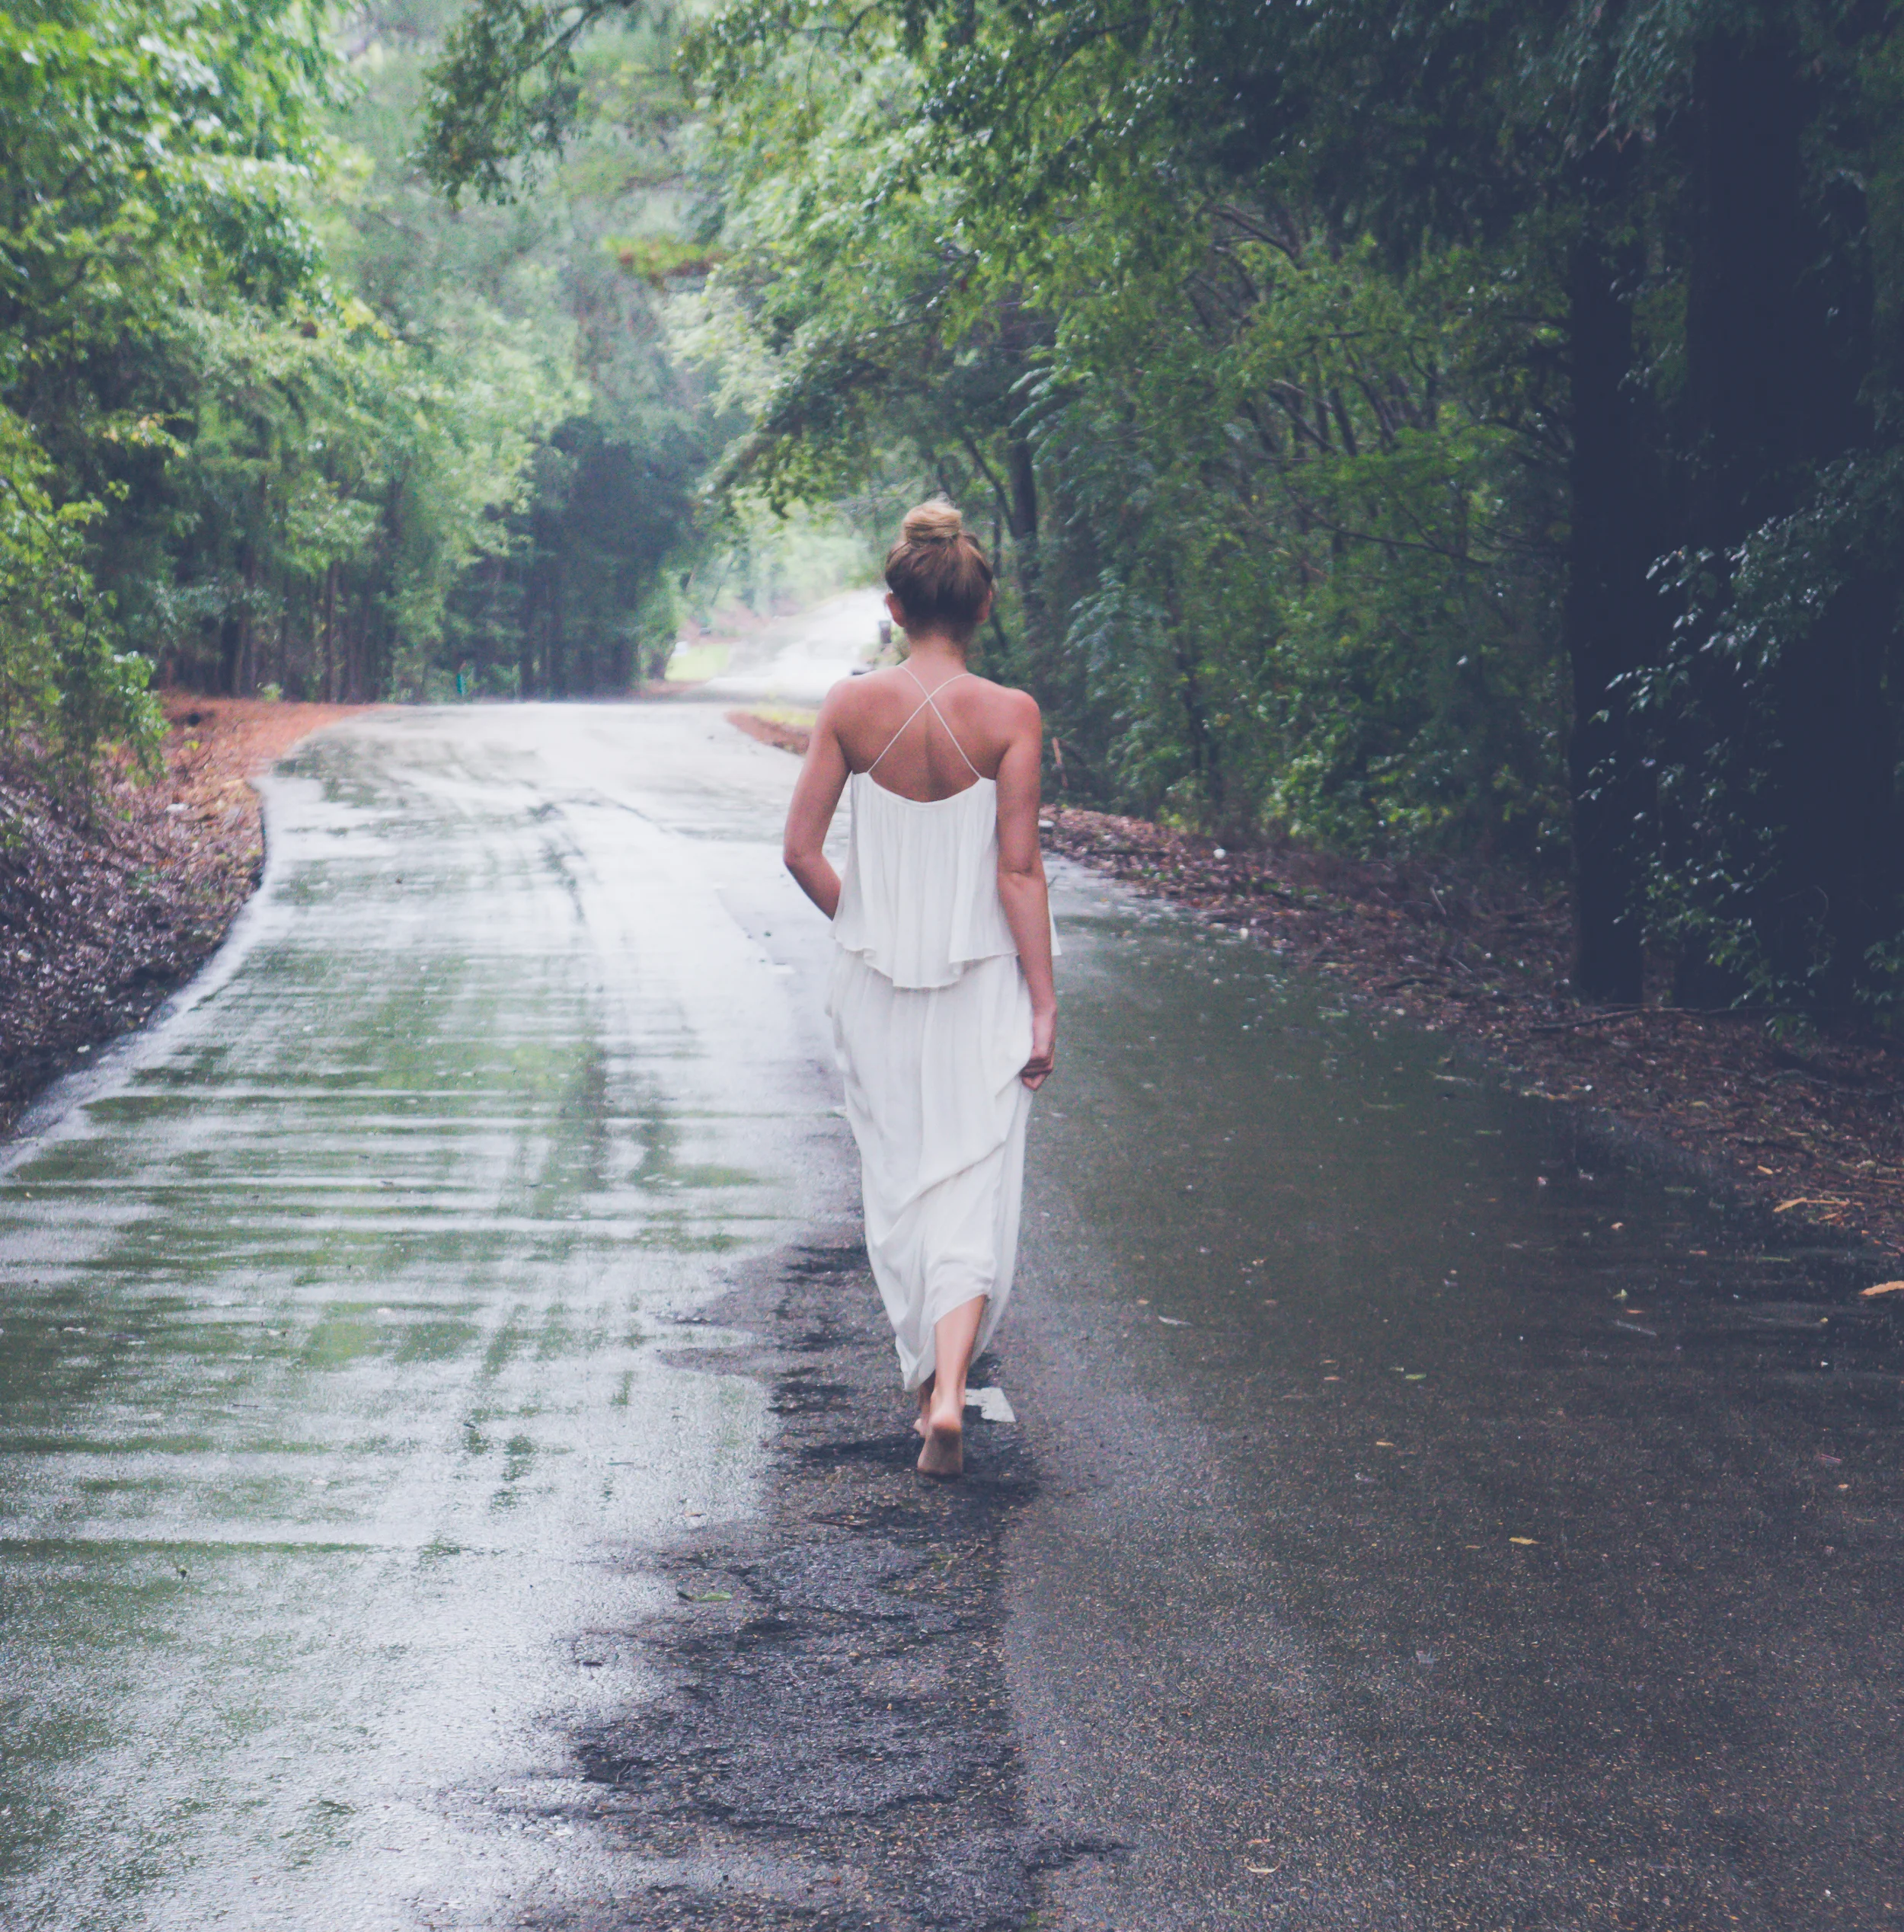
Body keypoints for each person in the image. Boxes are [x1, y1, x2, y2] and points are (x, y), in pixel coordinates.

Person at [782, 500, 1058, 1478]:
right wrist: (1043, 1000)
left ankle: (931, 1389)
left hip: (876, 981)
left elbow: (801, 852)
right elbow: (1018, 872)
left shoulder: (850, 708)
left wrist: (867, 926)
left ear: (894, 606)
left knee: (902, 1177)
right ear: (982, 607)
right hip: (983, 975)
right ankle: (948, 1388)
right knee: (971, 1178)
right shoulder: (1011, 715)